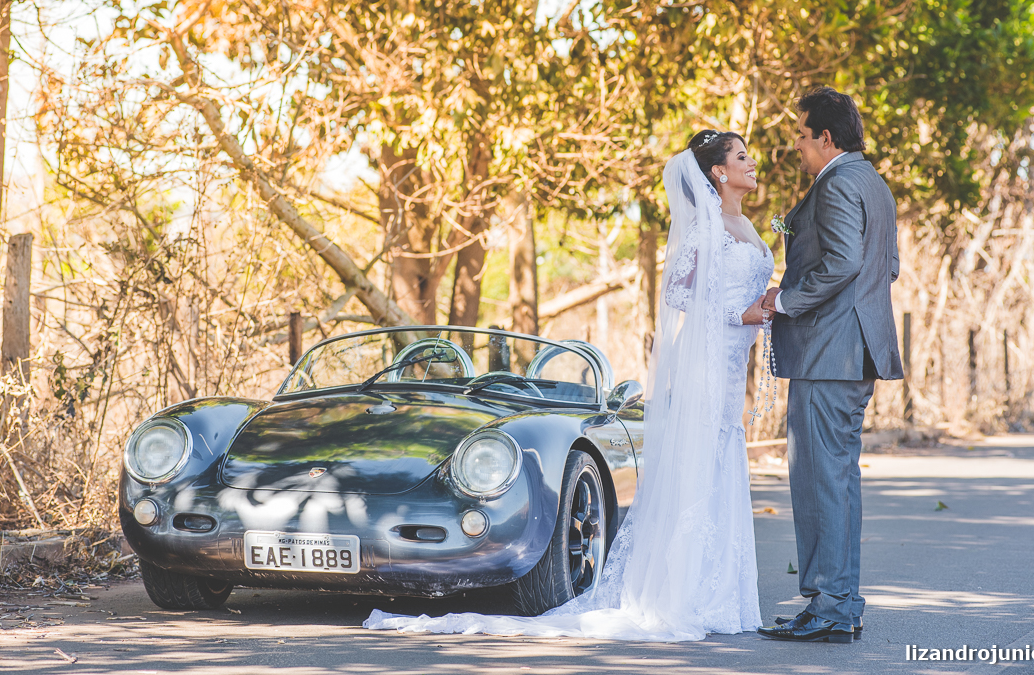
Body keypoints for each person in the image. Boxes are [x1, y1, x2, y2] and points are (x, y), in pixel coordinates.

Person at [363, 131, 772, 641]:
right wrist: (742, 311)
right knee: (698, 464)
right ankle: (685, 593)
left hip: (735, 364)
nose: (751, 163)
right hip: (708, 363)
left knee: (721, 457)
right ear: (718, 172)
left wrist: (769, 303)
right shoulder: (703, 230)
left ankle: (721, 595)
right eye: (741, 156)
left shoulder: (747, 225)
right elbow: (677, 296)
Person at [758, 87, 903, 644]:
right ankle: (838, 604)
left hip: (828, 354)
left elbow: (843, 261)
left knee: (820, 482)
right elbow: (885, 266)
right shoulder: (874, 183)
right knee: (836, 481)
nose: (795, 144)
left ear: (825, 137)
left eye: (799, 134)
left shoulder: (839, 183)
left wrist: (787, 300)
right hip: (853, 351)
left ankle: (831, 607)